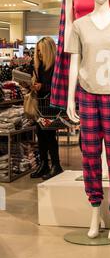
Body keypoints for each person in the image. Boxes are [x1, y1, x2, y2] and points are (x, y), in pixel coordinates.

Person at [30, 37, 63, 180]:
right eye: (37, 51)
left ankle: (56, 165)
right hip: (41, 104)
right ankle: (44, 164)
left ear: (48, 50)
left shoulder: (56, 66)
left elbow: (59, 87)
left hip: (51, 105)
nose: (38, 54)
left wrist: (42, 86)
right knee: (40, 135)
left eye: (40, 51)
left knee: (49, 135)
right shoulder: (39, 66)